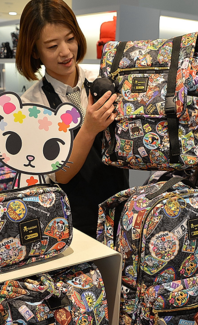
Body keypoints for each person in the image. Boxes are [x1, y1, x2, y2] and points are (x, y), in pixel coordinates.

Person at [16, 0, 129, 238]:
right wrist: (89, 129)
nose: (66, 52)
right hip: (71, 226)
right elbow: (60, 175)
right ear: (34, 51)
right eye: (52, 46)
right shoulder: (32, 105)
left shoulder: (104, 80)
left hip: (119, 212)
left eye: (70, 39)